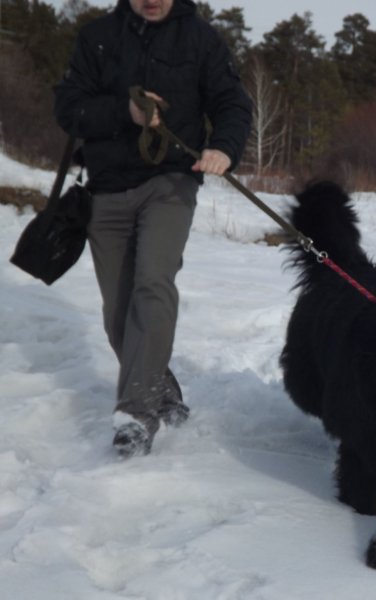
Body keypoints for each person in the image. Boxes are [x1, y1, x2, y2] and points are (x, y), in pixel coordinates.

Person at [54, 0, 252, 458]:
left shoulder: (201, 39)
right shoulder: (97, 38)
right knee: (118, 312)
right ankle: (162, 393)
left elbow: (232, 103)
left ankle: (135, 417)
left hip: (171, 183)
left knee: (153, 285)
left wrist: (223, 147)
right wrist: (126, 111)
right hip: (107, 187)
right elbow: (69, 108)